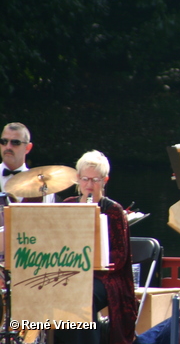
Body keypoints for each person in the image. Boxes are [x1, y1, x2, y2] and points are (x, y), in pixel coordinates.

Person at [55, 150, 137, 344]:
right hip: (71, 271)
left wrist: (91, 259)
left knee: (84, 294)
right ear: (77, 179)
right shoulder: (68, 205)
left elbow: (119, 257)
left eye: (95, 180)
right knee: (54, 289)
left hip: (105, 276)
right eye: (85, 179)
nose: (89, 185)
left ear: (105, 180)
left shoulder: (114, 210)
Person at [0, 122, 56, 203]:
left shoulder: (42, 185)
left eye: (15, 142)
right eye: (3, 141)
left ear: (28, 148)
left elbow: (49, 215)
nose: (8, 146)